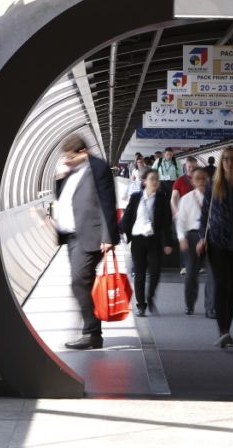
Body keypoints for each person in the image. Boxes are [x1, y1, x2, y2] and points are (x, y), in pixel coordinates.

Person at [54, 134, 119, 350]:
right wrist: (60, 179)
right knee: (82, 282)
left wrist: (108, 236)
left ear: (83, 152)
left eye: (70, 157)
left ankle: (91, 333)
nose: (66, 161)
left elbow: (107, 201)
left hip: (90, 235)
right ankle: (92, 332)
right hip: (72, 236)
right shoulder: (72, 171)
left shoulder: (98, 168)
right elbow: (64, 198)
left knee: (79, 281)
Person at [197, 146, 233, 348]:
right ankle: (223, 330)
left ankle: (227, 328)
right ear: (222, 163)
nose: (230, 162)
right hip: (217, 242)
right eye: (226, 159)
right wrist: (200, 237)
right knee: (222, 285)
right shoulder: (213, 186)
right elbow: (205, 214)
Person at [120, 169, 175, 317]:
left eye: (157, 179)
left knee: (156, 271)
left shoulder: (163, 199)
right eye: (152, 179)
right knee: (140, 274)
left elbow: (166, 223)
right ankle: (141, 305)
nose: (155, 182)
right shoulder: (136, 197)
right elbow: (128, 216)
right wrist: (121, 231)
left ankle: (150, 297)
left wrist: (168, 242)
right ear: (144, 182)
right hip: (138, 238)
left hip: (154, 240)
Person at [176, 167, 214, 317]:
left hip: (211, 237)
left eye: (204, 178)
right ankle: (189, 304)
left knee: (213, 274)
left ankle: (211, 307)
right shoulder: (186, 199)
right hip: (192, 237)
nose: (202, 181)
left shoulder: (214, 197)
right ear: (192, 181)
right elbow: (181, 221)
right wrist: (181, 238)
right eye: (198, 178)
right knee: (191, 273)